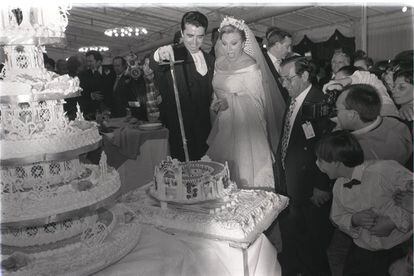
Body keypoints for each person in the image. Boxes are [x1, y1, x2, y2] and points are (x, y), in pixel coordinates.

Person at [328, 83, 412, 276]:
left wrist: (395, 220)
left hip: (382, 234)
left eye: (338, 110)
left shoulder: (359, 153)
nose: (334, 114)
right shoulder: (398, 125)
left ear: (353, 115)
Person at [315, 130, 412, 276]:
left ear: (336, 163)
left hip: (397, 249)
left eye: (320, 160)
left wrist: (393, 221)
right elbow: (336, 216)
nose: (317, 164)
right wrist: (354, 219)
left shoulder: (384, 171)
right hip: (362, 250)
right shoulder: (339, 186)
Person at [206, 16, 283, 189]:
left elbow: (258, 104)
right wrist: (218, 103)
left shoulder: (250, 66)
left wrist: (230, 102)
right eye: (224, 44)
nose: (229, 49)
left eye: (234, 43)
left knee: (245, 177)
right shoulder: (218, 63)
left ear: (243, 42)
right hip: (223, 125)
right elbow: (217, 92)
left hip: (247, 132)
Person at [276, 55, 334, 276]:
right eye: (282, 79)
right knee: (295, 237)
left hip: (310, 186)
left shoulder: (319, 102)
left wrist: (321, 185)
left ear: (305, 75)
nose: (283, 84)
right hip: (293, 181)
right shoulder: (295, 98)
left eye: (288, 79)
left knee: (313, 245)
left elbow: (325, 148)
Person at [149, 11, 214, 161]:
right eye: (190, 36)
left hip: (206, 131)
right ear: (182, 32)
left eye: (200, 36)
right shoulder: (174, 53)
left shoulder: (210, 60)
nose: (194, 42)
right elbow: (154, 63)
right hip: (182, 132)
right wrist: (159, 53)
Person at [78, 50, 115, 120]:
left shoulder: (111, 71)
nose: (88, 64)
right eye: (87, 61)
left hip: (110, 109)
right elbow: (81, 92)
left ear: (99, 61)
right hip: (91, 111)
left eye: (91, 61)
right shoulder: (83, 74)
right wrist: (91, 95)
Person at [263, 27, 292, 103]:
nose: (289, 50)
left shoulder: (286, 63)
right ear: (277, 45)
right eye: (287, 46)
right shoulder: (262, 62)